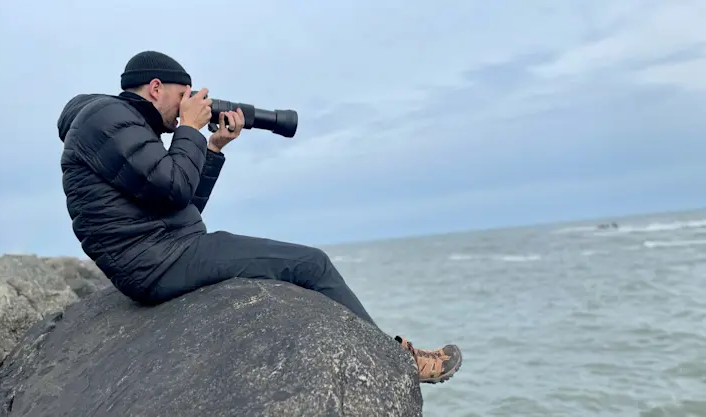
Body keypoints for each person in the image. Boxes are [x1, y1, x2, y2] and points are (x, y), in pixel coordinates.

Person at [57, 50, 462, 384]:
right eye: (184, 95)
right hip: (158, 262)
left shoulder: (117, 126)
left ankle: (387, 355)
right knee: (310, 263)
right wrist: (191, 130)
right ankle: (396, 364)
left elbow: (182, 207)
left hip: (161, 254)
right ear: (157, 87)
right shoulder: (108, 120)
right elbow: (175, 187)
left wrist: (212, 147)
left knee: (299, 263)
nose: (188, 105)